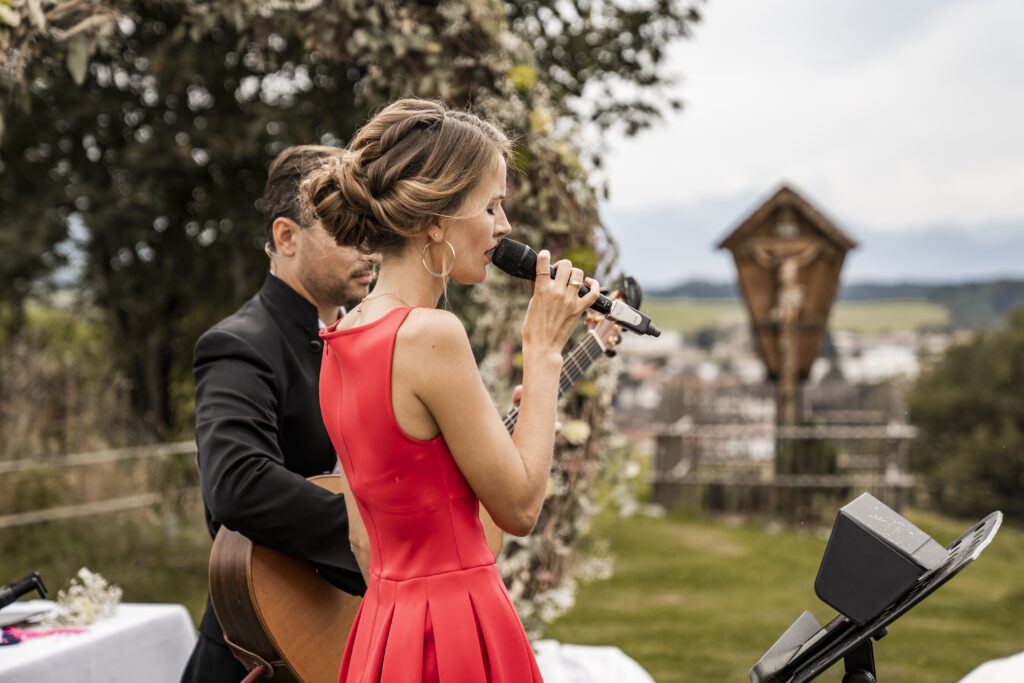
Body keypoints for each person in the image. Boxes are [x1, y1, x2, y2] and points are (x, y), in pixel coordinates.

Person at [303, 98, 600, 682]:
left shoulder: (342, 336)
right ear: (434, 219)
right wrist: (542, 353)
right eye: (490, 206)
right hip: (457, 631)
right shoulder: (431, 334)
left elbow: (369, 537)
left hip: (385, 631)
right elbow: (518, 508)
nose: (505, 226)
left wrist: (517, 431)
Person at [181, 145, 377, 682]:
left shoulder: (371, 340)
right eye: (347, 231)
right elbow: (237, 482)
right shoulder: (238, 345)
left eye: (372, 230)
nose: (371, 250)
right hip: (262, 646)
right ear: (286, 237)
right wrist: (377, 537)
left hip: (349, 630)